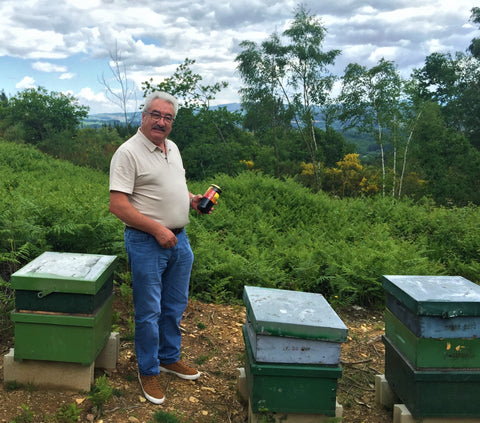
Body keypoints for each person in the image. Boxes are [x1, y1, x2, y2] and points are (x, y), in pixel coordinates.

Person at [109, 91, 204, 405]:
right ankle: (148, 369)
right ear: (144, 115)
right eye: (156, 115)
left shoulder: (172, 148)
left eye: (168, 117)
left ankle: (168, 357)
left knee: (175, 305)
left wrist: (191, 200)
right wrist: (157, 230)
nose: (161, 122)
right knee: (149, 312)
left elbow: (173, 185)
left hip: (180, 240)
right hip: (147, 242)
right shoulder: (128, 153)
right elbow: (118, 205)